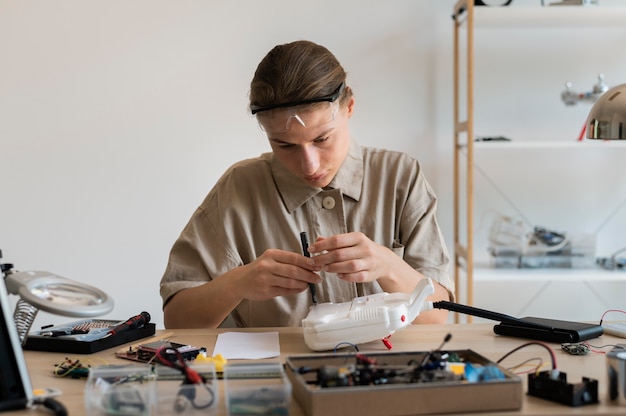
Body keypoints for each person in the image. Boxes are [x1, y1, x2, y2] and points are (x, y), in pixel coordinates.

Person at [160, 40, 454, 329]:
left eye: (322, 139)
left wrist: (388, 265)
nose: (309, 166)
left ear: (349, 106)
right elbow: (177, 320)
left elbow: (437, 315)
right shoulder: (238, 188)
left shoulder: (400, 176)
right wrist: (237, 284)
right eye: (285, 145)